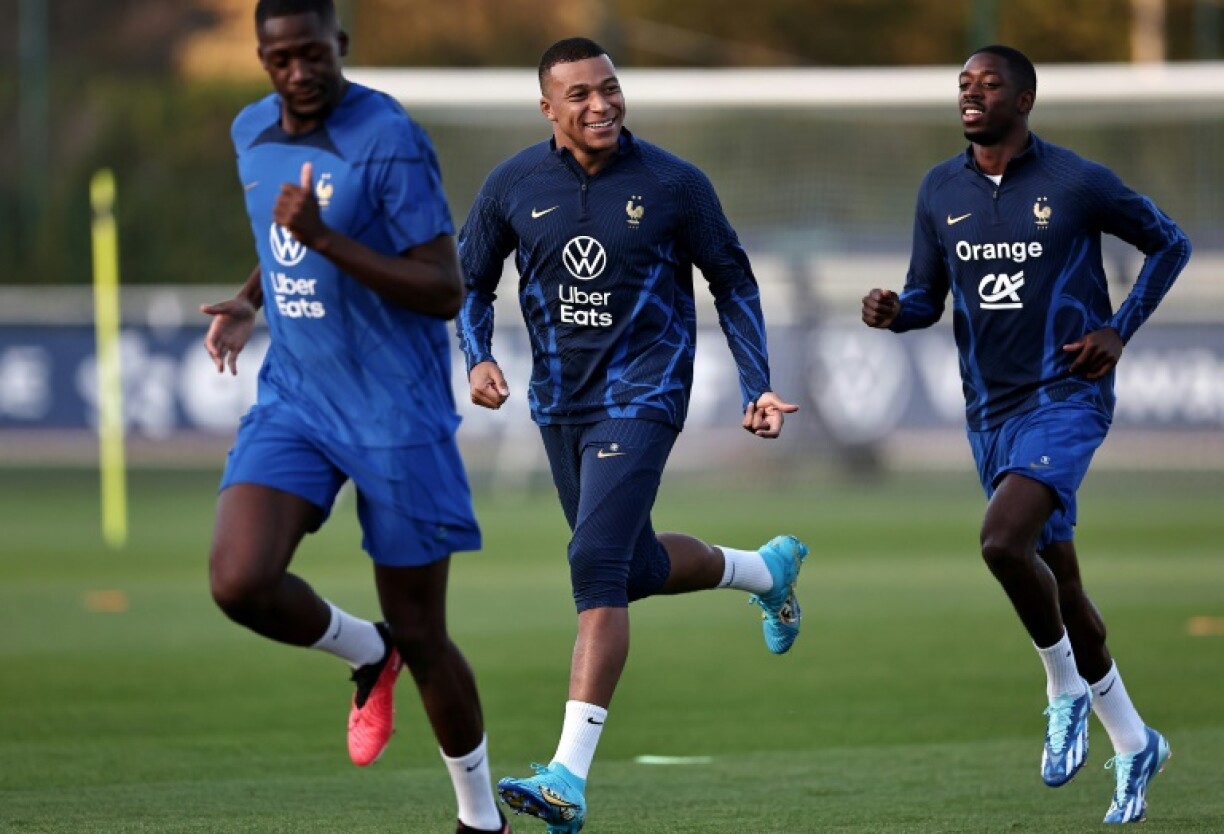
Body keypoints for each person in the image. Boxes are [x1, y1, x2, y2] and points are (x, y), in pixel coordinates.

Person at [456, 36, 807, 834]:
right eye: (578, 95)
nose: (601, 105)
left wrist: (759, 384)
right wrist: (475, 358)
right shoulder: (513, 184)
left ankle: (567, 778)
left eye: (609, 88)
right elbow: (469, 280)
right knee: (634, 565)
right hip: (559, 401)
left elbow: (734, 280)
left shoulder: (675, 184)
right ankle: (766, 571)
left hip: (646, 392)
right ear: (548, 108)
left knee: (593, 563)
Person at [200, 1, 508, 831]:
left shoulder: (390, 138)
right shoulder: (249, 132)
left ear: (342, 47)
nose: (297, 73)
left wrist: (328, 239)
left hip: (395, 411)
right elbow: (283, 236)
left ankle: (482, 818)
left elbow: (444, 287)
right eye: (279, 59)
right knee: (239, 580)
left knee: (427, 630)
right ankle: (369, 653)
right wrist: (249, 299)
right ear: (262, 57)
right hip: (297, 396)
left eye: (313, 55)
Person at [862, 45, 1189, 825]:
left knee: (1001, 542)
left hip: (1067, 398)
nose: (972, 94)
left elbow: (1169, 242)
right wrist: (893, 313)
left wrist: (1118, 330)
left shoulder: (1075, 181)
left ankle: (1063, 686)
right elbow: (925, 298)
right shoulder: (940, 188)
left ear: (1027, 98)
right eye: (964, 84)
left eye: (989, 84)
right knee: (1065, 588)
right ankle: (1136, 741)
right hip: (990, 411)